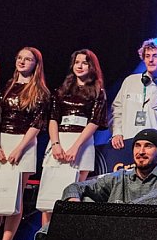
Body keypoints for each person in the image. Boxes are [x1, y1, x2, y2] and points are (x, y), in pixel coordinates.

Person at [16, 128, 157, 240]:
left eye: (148, 146)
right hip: (114, 238)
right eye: (137, 146)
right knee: (85, 201)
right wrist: (74, 206)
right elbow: (76, 187)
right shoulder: (120, 177)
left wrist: (123, 211)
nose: (141, 151)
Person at [0, 47, 49, 240]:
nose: (22, 61)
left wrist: (19, 148)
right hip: (1, 143)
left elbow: (37, 123)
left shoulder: (41, 92)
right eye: (19, 58)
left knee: (14, 196)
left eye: (27, 59)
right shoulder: (6, 86)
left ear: (36, 64)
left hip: (23, 145)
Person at [41, 49, 107, 225]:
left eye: (84, 62)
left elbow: (95, 121)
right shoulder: (61, 90)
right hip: (59, 140)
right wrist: (56, 144)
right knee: (49, 195)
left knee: (73, 194)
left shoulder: (98, 92)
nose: (80, 66)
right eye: (77, 62)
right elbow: (53, 118)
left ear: (92, 66)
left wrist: (75, 147)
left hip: (82, 144)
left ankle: (66, 239)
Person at [110, 38, 157, 149]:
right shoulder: (130, 81)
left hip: (156, 147)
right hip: (128, 142)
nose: (150, 60)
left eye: (155, 56)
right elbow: (117, 109)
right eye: (147, 56)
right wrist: (117, 132)